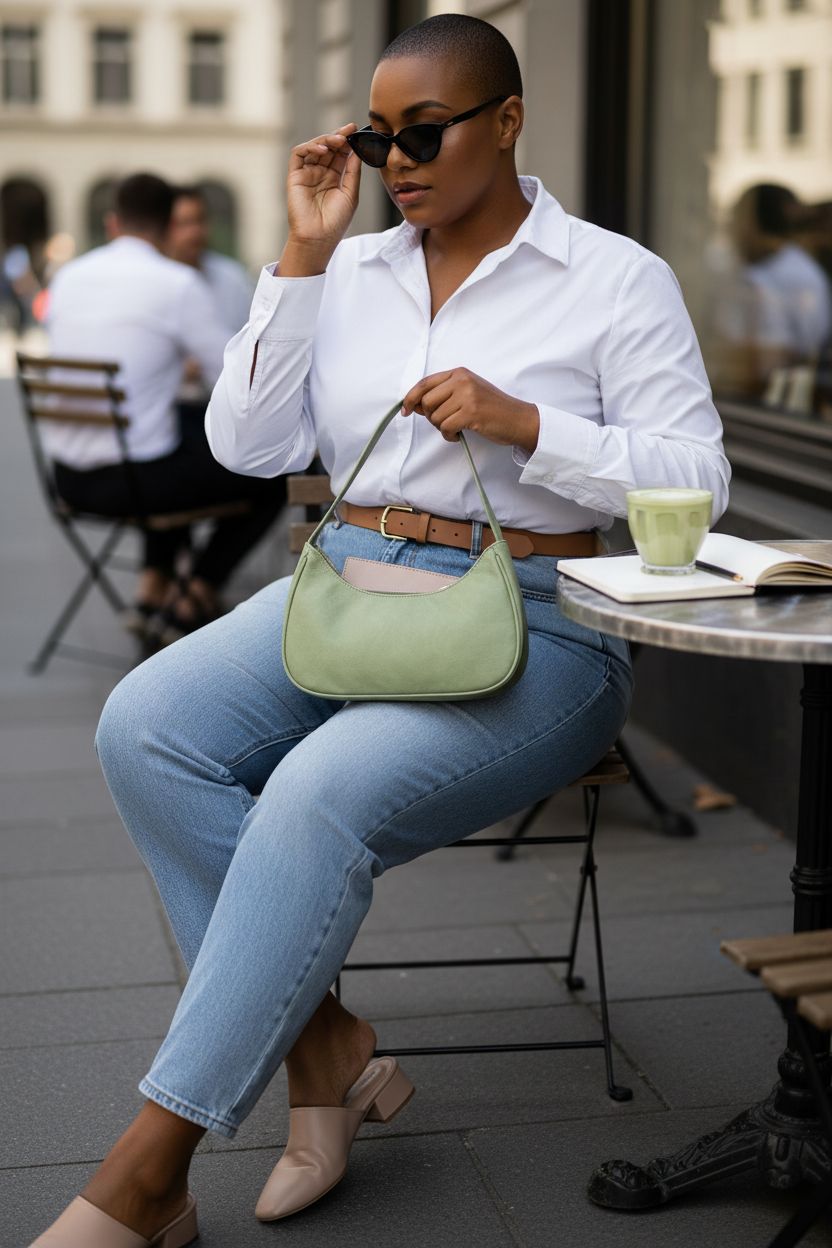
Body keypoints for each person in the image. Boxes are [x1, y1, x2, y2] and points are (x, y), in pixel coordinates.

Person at [29, 14, 730, 1246]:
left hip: (542, 622)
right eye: (375, 135)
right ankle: (327, 1047)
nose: (394, 160)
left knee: (311, 797)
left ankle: (151, 1169)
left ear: (507, 122)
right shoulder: (346, 268)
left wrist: (529, 426)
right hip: (349, 583)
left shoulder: (616, 278)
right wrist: (300, 254)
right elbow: (244, 450)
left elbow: (699, 481)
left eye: (423, 132)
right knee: (143, 725)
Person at [43, 172, 285, 641]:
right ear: (167, 225)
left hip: (67, 477)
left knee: (175, 433)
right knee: (273, 471)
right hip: (135, 482)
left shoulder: (68, 276)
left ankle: (153, 590)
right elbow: (234, 380)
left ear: (112, 224)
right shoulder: (176, 283)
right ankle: (195, 593)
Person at [708, 183, 832, 402]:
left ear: (752, 224)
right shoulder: (736, 267)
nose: (731, 226)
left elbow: (789, 354)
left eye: (737, 216)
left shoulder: (798, 277)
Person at [165, 185, 255, 339]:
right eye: (184, 223)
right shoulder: (152, 280)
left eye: (200, 220)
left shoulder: (233, 277)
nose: (194, 232)